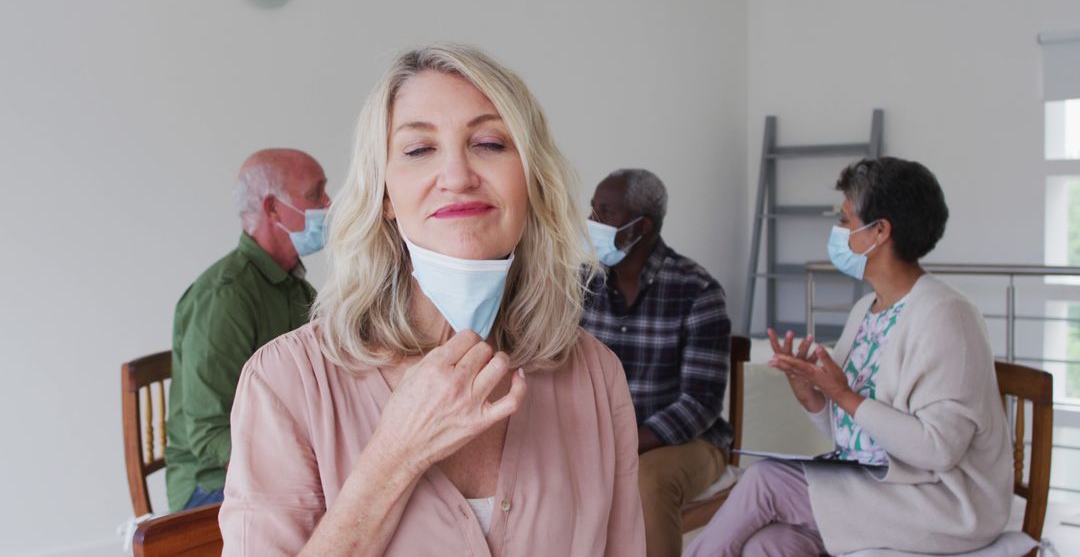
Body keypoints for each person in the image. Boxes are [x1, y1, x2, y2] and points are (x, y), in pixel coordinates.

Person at [218, 45, 646, 556]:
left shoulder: (596, 377)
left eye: (489, 142)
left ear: (532, 181)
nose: (458, 175)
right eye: (419, 150)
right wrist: (396, 453)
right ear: (384, 196)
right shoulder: (285, 382)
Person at [686, 157, 1012, 556]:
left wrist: (843, 395)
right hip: (877, 487)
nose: (837, 232)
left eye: (844, 220)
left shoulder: (946, 317)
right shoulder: (866, 311)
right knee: (769, 545)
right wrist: (814, 396)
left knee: (765, 481)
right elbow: (857, 436)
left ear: (880, 232)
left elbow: (938, 450)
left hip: (941, 503)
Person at [165, 148, 330, 512]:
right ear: (273, 209)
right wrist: (296, 470)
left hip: (281, 467)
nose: (329, 204)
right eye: (316, 193)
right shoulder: (224, 296)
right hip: (210, 486)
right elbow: (210, 436)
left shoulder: (297, 289)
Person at [581, 169, 731, 557]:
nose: (592, 222)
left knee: (648, 481)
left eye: (605, 212)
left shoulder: (698, 291)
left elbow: (701, 402)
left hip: (686, 440)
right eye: (592, 210)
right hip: (602, 437)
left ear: (640, 227)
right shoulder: (579, 284)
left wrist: (627, 443)